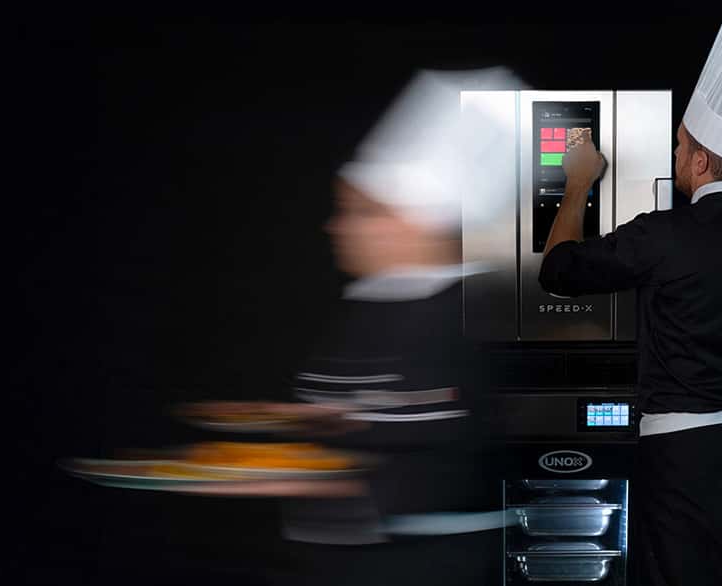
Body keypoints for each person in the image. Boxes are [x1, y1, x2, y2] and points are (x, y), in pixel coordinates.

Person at [178, 67, 522, 585]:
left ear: (420, 224)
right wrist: (292, 424)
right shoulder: (371, 302)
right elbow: (367, 414)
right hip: (337, 558)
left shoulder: (476, 310)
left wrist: (286, 475)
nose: (337, 226)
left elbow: (451, 451)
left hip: (430, 563)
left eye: (362, 212)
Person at [539, 16, 722, 586]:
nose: (675, 156)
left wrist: (577, 182)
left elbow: (557, 272)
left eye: (678, 146)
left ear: (699, 162)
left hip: (681, 455)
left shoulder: (665, 235)